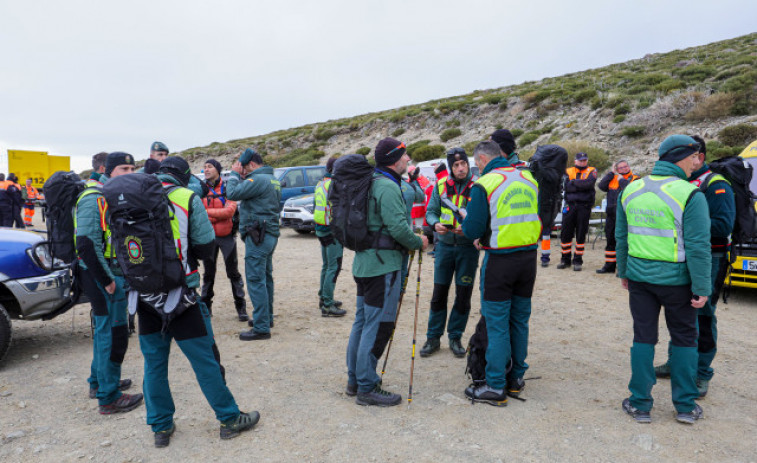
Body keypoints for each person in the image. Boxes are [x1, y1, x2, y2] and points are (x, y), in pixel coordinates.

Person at [134, 156, 259, 447]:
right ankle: (229, 419)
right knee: (204, 361)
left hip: (145, 296)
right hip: (181, 296)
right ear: (183, 176)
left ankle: (161, 428)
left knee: (154, 363)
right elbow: (205, 248)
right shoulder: (186, 197)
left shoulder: (134, 198)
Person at [617, 134, 711, 425]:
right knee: (685, 339)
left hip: (640, 280)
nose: (698, 161)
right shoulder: (690, 194)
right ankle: (684, 406)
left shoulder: (631, 188)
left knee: (643, 337)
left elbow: (621, 236)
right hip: (677, 283)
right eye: (695, 155)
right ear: (680, 156)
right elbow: (698, 246)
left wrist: (623, 271)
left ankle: (640, 403)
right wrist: (702, 287)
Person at [345, 137, 428, 407]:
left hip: (364, 264)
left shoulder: (369, 182)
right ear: (394, 159)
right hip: (384, 267)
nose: (408, 160)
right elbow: (399, 230)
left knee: (361, 321)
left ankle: (355, 379)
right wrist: (420, 242)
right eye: (404, 156)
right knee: (378, 324)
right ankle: (367, 387)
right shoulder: (388, 187)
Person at [654, 135, 735, 399]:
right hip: (684, 256)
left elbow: (723, 226)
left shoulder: (716, 184)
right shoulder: (683, 182)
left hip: (711, 258)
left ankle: (702, 372)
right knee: (680, 310)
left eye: (686, 156)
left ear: (698, 157)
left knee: (703, 313)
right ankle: (675, 361)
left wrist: (690, 223)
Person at [461, 140, 540, 406]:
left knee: (496, 324)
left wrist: (474, 230)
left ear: (482, 159)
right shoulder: (528, 178)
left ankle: (495, 385)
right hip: (528, 258)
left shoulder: (485, 184)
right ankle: (516, 379)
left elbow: (472, 229)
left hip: (499, 261)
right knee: (519, 320)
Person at [75, 152, 143, 414]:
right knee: (111, 334)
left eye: (132, 168)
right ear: (109, 170)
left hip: (104, 274)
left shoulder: (108, 194)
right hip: (102, 276)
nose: (130, 172)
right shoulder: (95, 198)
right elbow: (86, 244)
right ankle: (109, 396)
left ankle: (98, 382)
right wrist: (108, 281)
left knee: (105, 331)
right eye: (124, 168)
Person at [420, 147, 479, 358]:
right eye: (456, 165)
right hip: (444, 247)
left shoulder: (478, 185)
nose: (461, 168)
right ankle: (433, 337)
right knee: (439, 294)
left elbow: (484, 216)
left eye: (463, 163)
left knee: (463, 295)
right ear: (451, 167)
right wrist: (435, 224)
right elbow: (431, 212)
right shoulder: (441, 185)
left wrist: (470, 228)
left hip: (467, 249)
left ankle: (455, 337)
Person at [226, 148, 282, 341]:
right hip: (270, 233)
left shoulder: (257, 179)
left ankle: (261, 327)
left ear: (250, 165)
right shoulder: (272, 179)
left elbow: (232, 193)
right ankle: (266, 318)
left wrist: (234, 174)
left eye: (243, 168)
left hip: (258, 235)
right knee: (266, 278)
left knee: (256, 280)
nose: (243, 173)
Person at [200, 158, 248, 322]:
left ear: (217, 170)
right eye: (204, 167)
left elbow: (229, 212)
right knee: (208, 274)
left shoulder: (228, 188)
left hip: (226, 236)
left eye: (210, 167)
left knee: (233, 273)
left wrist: (208, 213)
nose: (206, 170)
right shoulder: (200, 189)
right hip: (208, 238)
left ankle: (241, 308)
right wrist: (215, 214)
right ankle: (206, 308)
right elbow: (198, 212)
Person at [314, 156, 347, 317]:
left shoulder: (320, 184)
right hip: (332, 230)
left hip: (321, 228)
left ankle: (324, 297)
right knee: (333, 267)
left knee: (327, 265)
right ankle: (327, 304)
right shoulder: (335, 185)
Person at [596, 160, 639, 274]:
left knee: (625, 242)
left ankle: (624, 268)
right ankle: (609, 266)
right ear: (617, 169)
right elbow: (601, 186)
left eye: (625, 166)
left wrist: (621, 180)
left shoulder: (635, 178)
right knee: (610, 240)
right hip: (611, 215)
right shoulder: (612, 178)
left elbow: (630, 191)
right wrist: (611, 173)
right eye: (620, 168)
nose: (624, 169)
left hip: (625, 216)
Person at [558, 152, 597, 271]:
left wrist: (573, 182)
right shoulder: (567, 171)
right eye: (580, 160)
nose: (582, 162)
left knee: (581, 234)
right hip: (570, 206)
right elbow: (566, 186)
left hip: (584, 206)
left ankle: (578, 261)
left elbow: (589, 184)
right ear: (575, 161)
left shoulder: (592, 170)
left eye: (584, 160)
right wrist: (579, 185)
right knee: (566, 233)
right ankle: (565, 260)